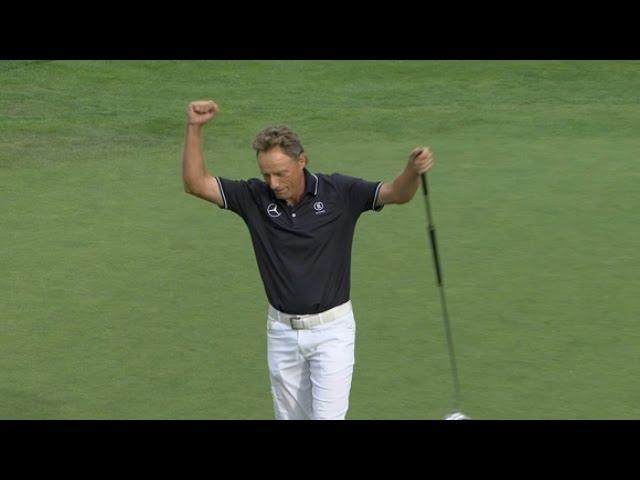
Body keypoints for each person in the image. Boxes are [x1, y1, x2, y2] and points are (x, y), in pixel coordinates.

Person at [182, 100, 434, 420]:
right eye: (266, 174)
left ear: (302, 161)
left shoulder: (340, 192)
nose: (273, 183)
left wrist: (411, 171)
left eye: (280, 173)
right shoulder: (254, 197)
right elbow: (195, 183)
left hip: (332, 332)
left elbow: (398, 193)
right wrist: (194, 127)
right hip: (282, 332)